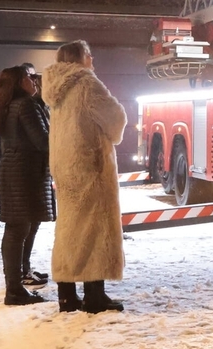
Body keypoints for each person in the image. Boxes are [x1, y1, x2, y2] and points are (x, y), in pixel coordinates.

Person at [42, 40, 127, 313]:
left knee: (68, 229)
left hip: (65, 167)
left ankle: (67, 296)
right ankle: (94, 296)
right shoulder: (87, 84)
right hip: (90, 165)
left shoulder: (54, 87)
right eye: (90, 55)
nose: (93, 60)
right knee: (95, 229)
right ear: (81, 57)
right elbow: (115, 118)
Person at [0, 66, 55, 306]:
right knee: (18, 230)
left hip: (15, 172)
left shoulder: (9, 106)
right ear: (19, 82)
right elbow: (42, 141)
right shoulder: (25, 105)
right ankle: (15, 290)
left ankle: (16, 285)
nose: (34, 80)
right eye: (29, 76)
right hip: (25, 175)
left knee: (18, 229)